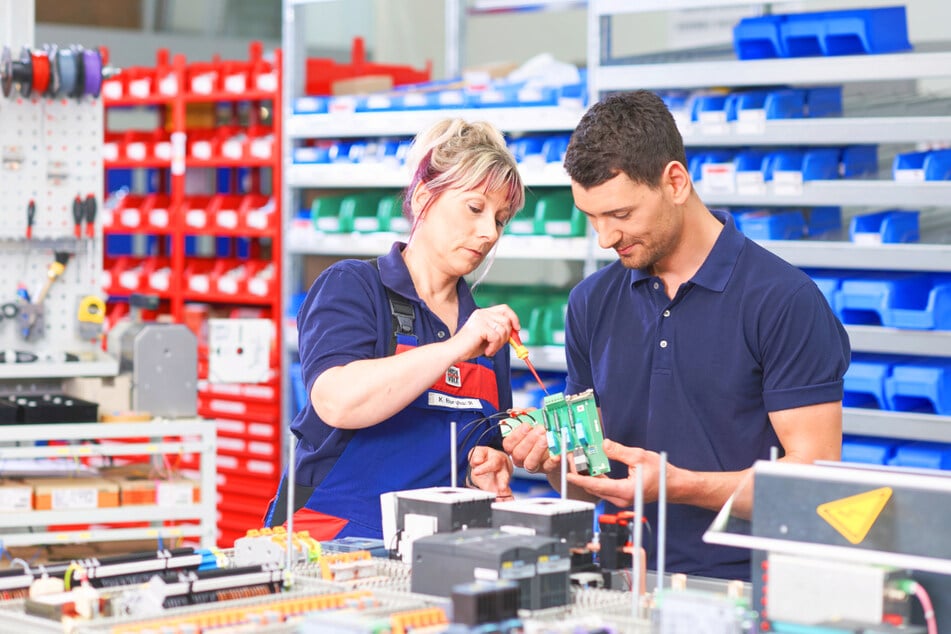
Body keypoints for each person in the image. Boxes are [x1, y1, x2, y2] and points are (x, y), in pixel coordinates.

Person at [503, 90, 851, 580]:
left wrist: (678, 485)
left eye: (620, 215)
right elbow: (588, 476)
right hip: (623, 577)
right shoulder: (589, 303)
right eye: (591, 217)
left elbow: (813, 480)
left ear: (675, 182)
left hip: (747, 588)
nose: (604, 238)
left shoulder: (783, 300)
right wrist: (550, 462)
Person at [265, 118, 525, 540]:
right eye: (475, 208)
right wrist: (455, 348)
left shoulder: (485, 332)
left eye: (501, 219)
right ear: (424, 197)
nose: (487, 233)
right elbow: (337, 401)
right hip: (328, 549)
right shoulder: (354, 286)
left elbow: (484, 449)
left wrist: (494, 466)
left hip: (433, 555)